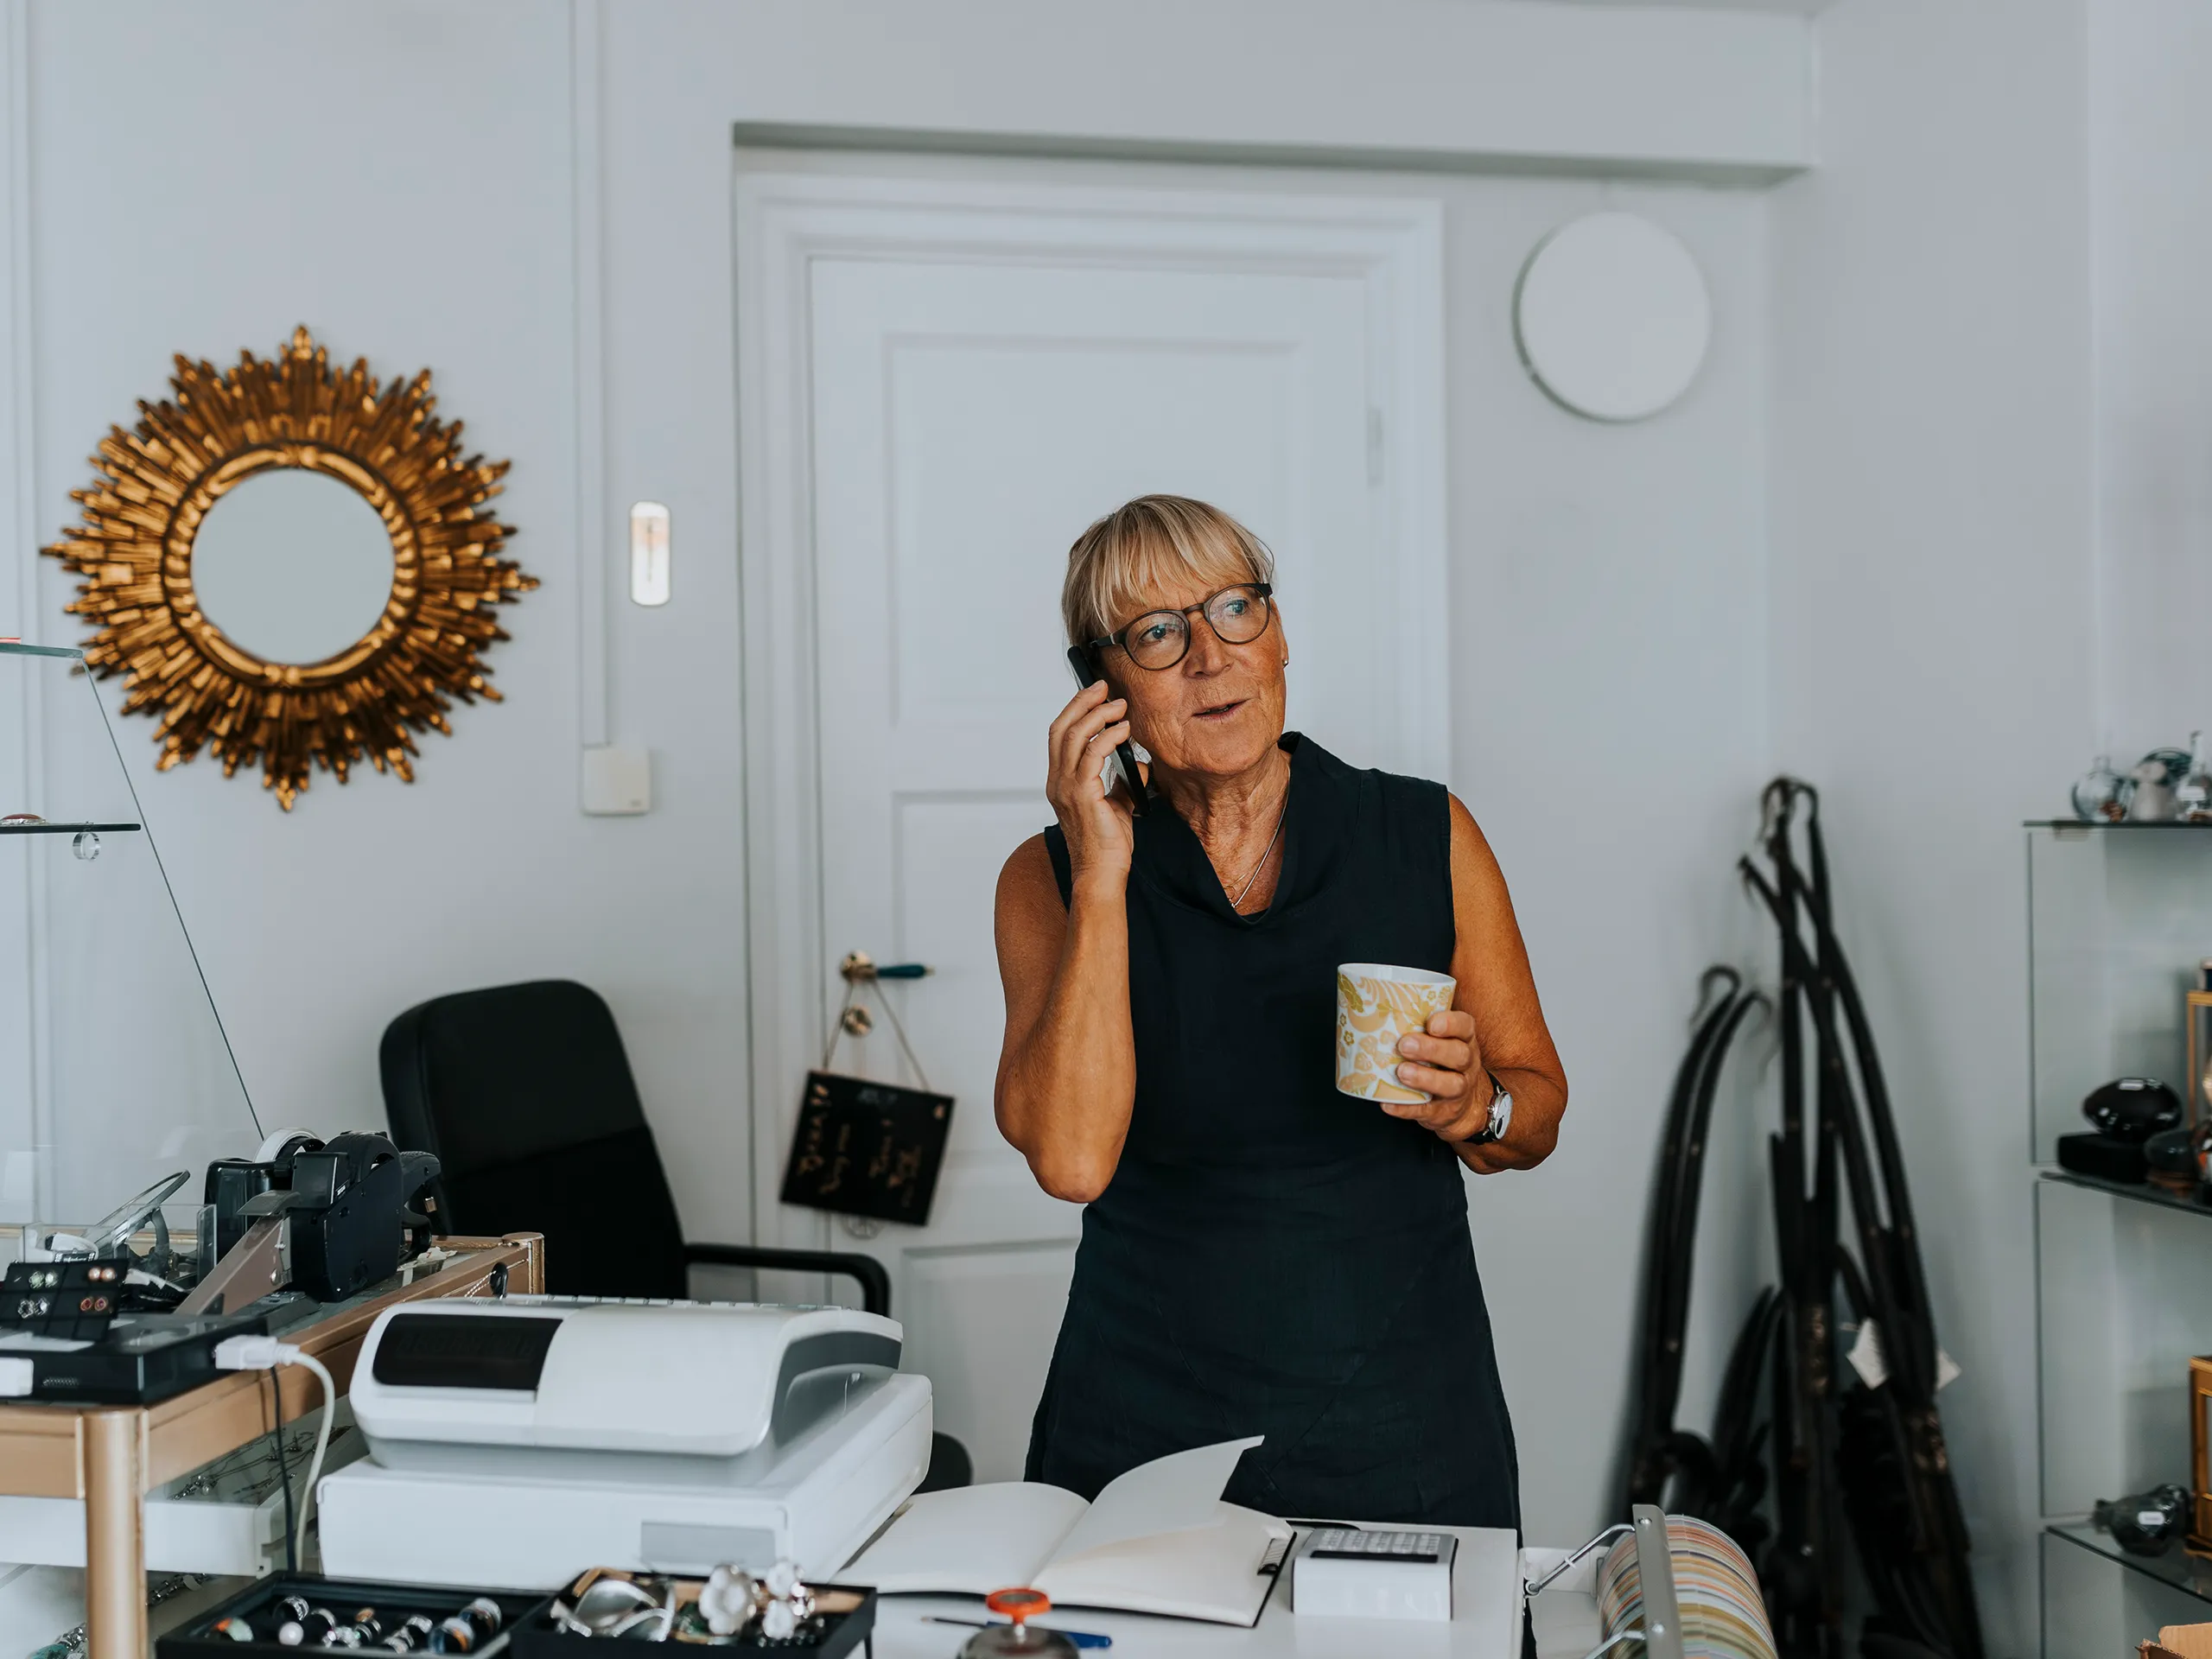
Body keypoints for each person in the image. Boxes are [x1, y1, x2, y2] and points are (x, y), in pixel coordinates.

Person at [992, 494, 1568, 1529]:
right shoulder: (1048, 881)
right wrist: (1105, 866)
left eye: (1234, 609)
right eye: (1158, 635)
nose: (1210, 656)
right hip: (1138, 1426)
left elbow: (1536, 1115)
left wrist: (1473, 1106)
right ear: (1102, 686)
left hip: (1401, 1421)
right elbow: (1071, 1163)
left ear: (1279, 632)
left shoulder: (1422, 830)